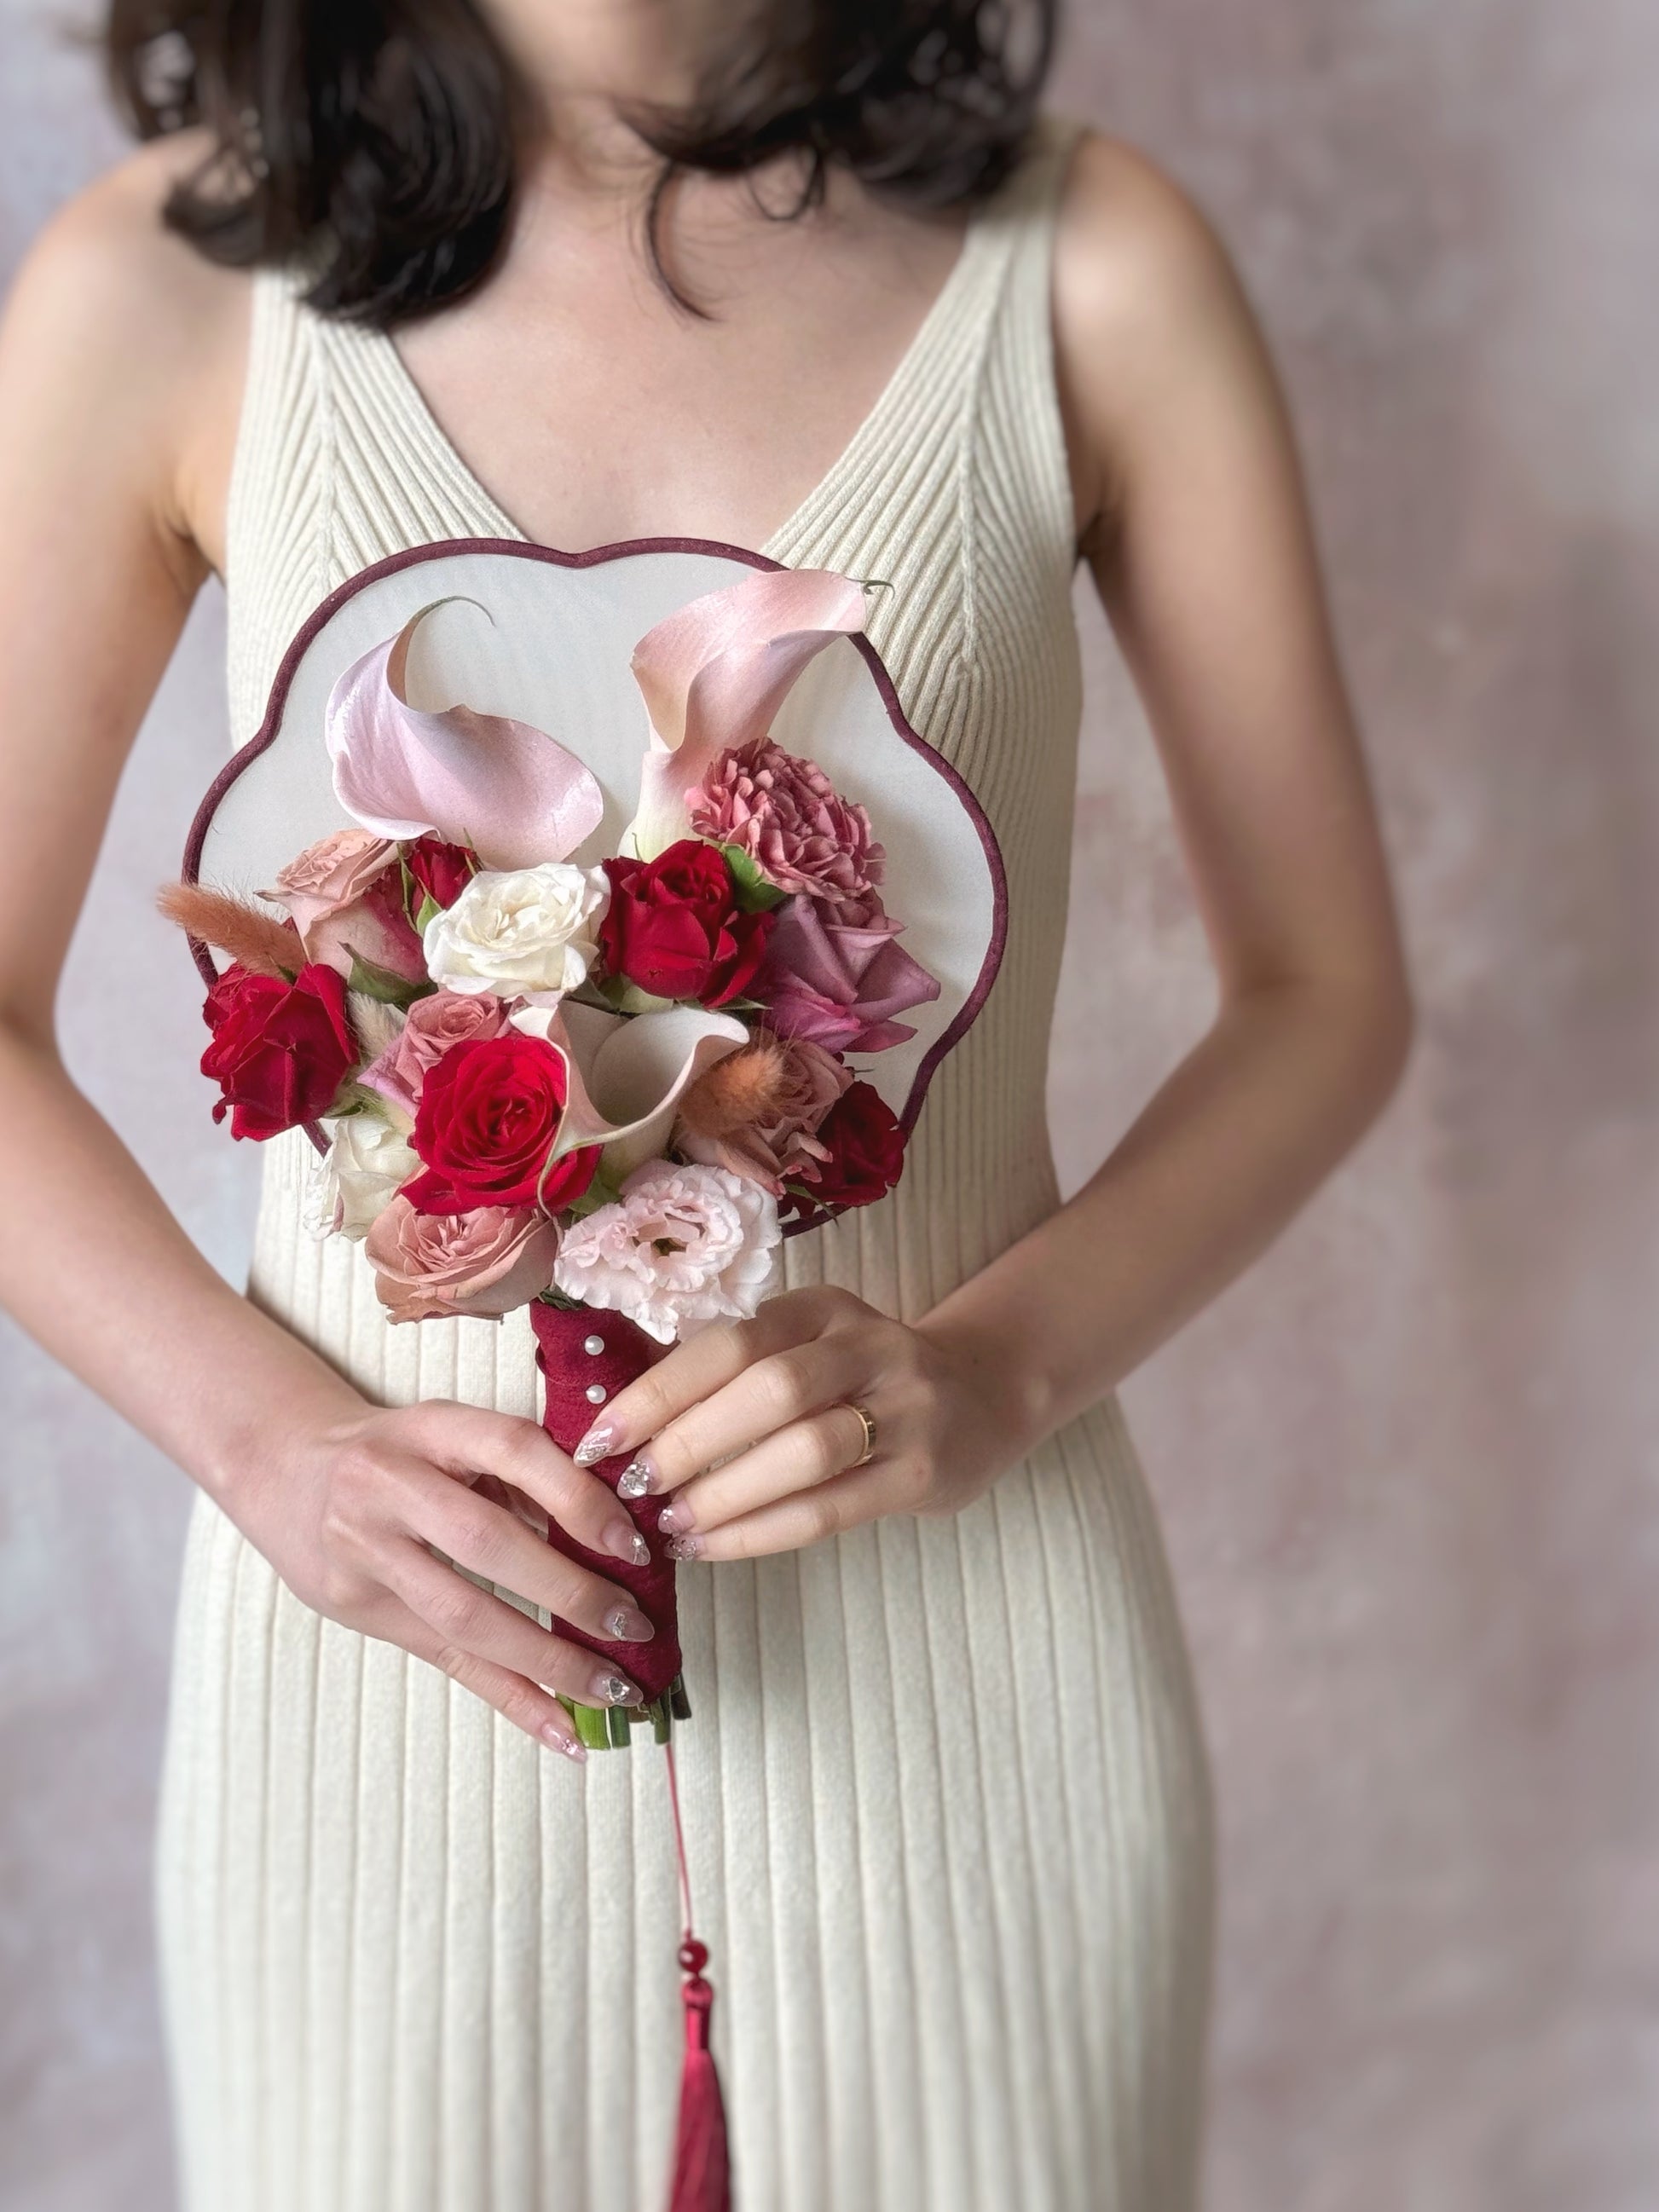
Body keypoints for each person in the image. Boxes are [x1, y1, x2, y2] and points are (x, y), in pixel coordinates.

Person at [0, 3, 1412, 2207]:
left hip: (975, 1630)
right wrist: (269, 1445)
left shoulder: (1090, 264)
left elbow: (1323, 991)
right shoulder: (161, 285)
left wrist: (992, 1369)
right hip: (385, 1655)